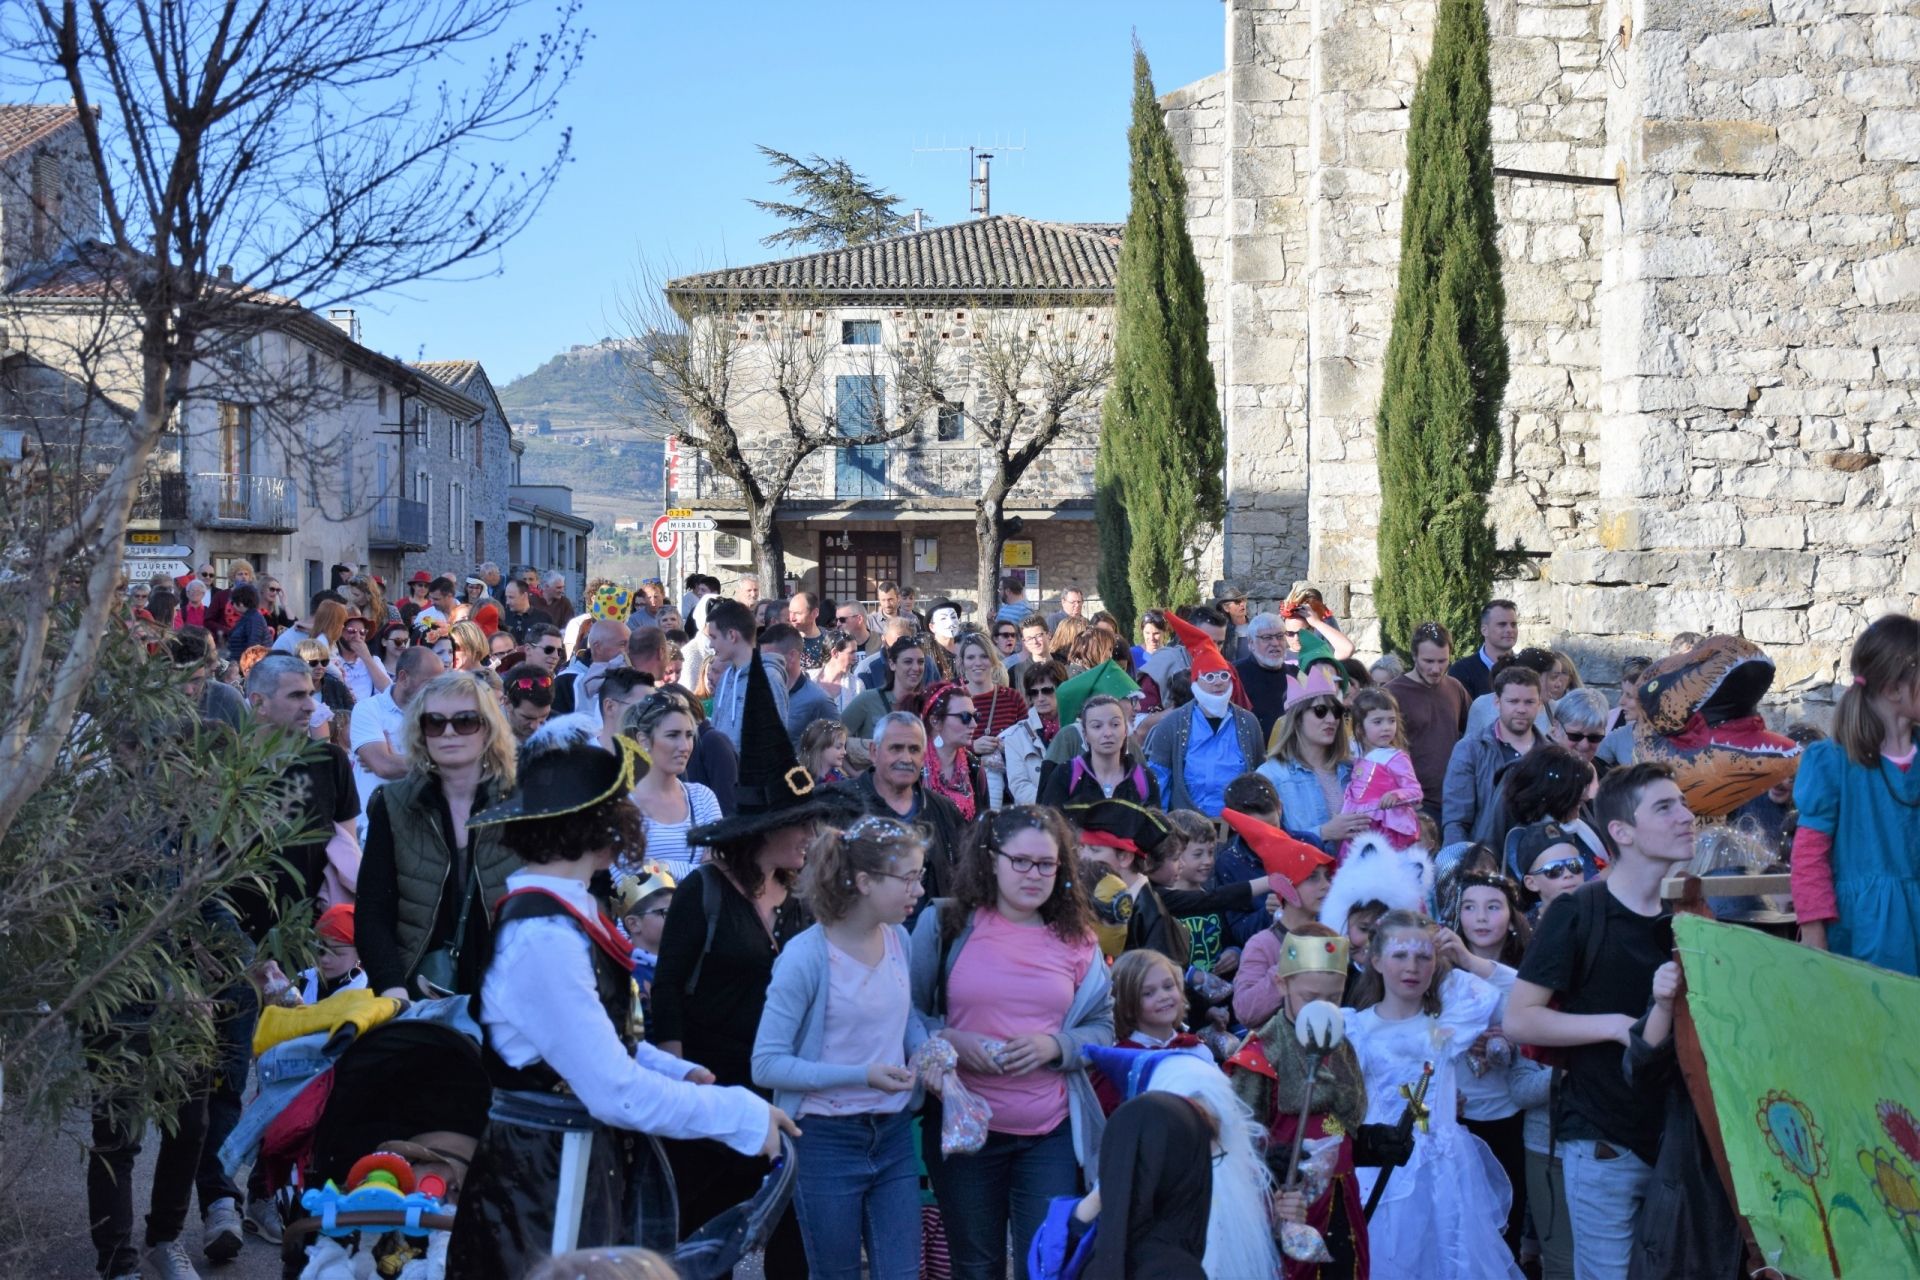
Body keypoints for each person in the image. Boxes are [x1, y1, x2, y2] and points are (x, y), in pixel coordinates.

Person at [445, 722, 792, 1280]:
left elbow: (599, 1044)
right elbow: (612, 1090)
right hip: (544, 1180)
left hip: (570, 1166)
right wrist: (738, 1115)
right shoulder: (544, 935)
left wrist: (677, 1071)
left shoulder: (563, 915)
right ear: (598, 823)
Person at [651, 651, 856, 1279]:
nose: (808, 834)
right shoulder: (703, 893)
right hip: (712, 1094)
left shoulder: (801, 898)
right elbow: (666, 998)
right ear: (760, 830)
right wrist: (684, 1089)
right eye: (797, 824)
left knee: (790, 1232)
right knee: (704, 1232)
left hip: (781, 1092)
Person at [1504, 763, 1693, 1280]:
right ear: (1621, 832)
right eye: (1665, 807)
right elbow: (1520, 1020)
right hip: (1604, 1143)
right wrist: (1614, 1025)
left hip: (1680, 1144)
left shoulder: (1694, 915)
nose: (1686, 816)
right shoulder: (1578, 912)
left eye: (1683, 803)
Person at [910, 806, 1112, 1280]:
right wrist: (948, 1038)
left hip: (1048, 1134)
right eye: (1020, 861)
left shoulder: (1077, 940)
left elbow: (1103, 1027)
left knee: (1043, 1264)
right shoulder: (944, 927)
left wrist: (1056, 1046)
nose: (1033, 874)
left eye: (1046, 864)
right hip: (965, 1134)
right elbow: (906, 1013)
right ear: (991, 859)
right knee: (975, 1267)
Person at [752, 819, 930, 1280]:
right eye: (908, 877)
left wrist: (931, 1055)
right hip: (824, 1141)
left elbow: (905, 1018)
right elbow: (766, 1065)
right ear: (866, 882)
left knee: (903, 1273)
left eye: (920, 875)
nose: (919, 888)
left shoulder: (899, 939)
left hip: (891, 1134)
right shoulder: (806, 957)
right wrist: (861, 1074)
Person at [1344, 911, 1523, 1280]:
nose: (1412, 967)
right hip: (1380, 1167)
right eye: (1400, 955)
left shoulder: (1445, 1028)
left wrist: (1466, 959)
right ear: (1375, 961)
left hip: (1444, 1172)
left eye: (1423, 957)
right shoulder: (1355, 1029)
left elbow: (1520, 996)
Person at [1227, 923, 1404, 1280]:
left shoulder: (1341, 1048)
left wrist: (1370, 1143)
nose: (1324, 1008)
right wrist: (1267, 1162)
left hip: (1340, 1201)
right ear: (1282, 985)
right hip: (1286, 1209)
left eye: (1334, 998)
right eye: (1311, 998)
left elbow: (1338, 1126)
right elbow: (1233, 1145)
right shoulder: (1259, 1055)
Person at [357, 671, 521, 999]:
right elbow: (373, 912)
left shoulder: (524, 804)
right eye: (434, 722)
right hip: (418, 994)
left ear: (488, 728)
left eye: (465, 721)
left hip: (511, 994)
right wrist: (393, 989)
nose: (448, 733)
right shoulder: (393, 804)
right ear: (421, 731)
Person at [1792, 613, 1920, 975]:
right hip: (1865, 937)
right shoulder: (1833, 764)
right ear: (1894, 689)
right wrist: (1815, 935)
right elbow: (1809, 858)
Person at [1444, 869, 1548, 1261]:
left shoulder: (1527, 971)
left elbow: (1526, 1000)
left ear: (1512, 915)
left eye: (1493, 907)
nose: (1481, 918)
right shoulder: (1441, 973)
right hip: (1457, 1114)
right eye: (1469, 908)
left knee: (1507, 1216)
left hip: (1510, 1113)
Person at [839, 711, 967, 905]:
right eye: (896, 748)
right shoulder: (839, 804)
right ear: (874, 752)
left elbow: (963, 875)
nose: (906, 758)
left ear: (923, 756)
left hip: (929, 931)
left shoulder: (944, 810)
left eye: (914, 750)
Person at [1144, 615, 1263, 815]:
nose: (1218, 682)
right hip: (1186, 833)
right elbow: (1159, 786)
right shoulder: (1172, 725)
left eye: (1223, 675)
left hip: (1237, 831)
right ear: (1196, 681)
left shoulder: (1248, 723)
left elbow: (1259, 778)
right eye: (1209, 676)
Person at [619, 692, 724, 881]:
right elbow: (630, 882)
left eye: (689, 735)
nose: (684, 746)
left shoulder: (703, 797)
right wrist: (697, 869)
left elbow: (719, 872)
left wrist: (661, 866)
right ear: (643, 740)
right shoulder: (622, 806)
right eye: (673, 735)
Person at [1088, 949, 1206, 1113]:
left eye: (1168, 986)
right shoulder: (1120, 1062)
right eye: (1148, 993)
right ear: (1127, 1006)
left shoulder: (1196, 1049)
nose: (1163, 996)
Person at [1258, 667, 1361, 853]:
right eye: (1320, 711)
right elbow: (1264, 842)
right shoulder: (1270, 775)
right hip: (1307, 877)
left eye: (1336, 711)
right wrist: (1323, 833)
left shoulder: (1354, 770)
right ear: (1297, 718)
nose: (1331, 719)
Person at [1442, 665, 1544, 848]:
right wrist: (1459, 866)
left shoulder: (1551, 754)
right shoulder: (1470, 749)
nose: (1521, 709)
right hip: (1483, 858)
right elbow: (1456, 820)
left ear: (1540, 704)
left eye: (1529, 702)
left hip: (1541, 863)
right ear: (1497, 702)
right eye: (1513, 701)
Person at [347, 645, 444, 833]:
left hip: (421, 827)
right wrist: (438, 765)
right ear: (403, 677)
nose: (436, 690)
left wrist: (396, 759)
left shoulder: (440, 715)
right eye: (430, 683)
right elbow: (384, 766)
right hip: (372, 827)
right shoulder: (368, 709)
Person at [1502, 746, 1607, 879]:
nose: (1586, 797)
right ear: (1554, 792)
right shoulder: (1522, 837)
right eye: (1577, 788)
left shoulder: (1585, 828)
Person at [1038, 692, 1158, 809]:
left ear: (1125, 730)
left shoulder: (1143, 778)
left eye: (1115, 724)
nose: (1107, 733)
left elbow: (1153, 827)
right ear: (1085, 735)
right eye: (1097, 726)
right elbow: (1050, 826)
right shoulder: (1065, 776)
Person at [1339, 688, 1422, 854]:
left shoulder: (1396, 757)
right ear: (1360, 728)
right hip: (1358, 824)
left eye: (1391, 721)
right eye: (1378, 722)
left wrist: (1396, 795)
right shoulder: (1357, 751)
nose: (1386, 728)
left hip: (1383, 826)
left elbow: (1415, 791)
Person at [705, 598, 789, 753]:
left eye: (714, 637)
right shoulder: (726, 677)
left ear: (731, 635)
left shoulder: (768, 679)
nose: (711, 644)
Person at [841, 634, 928, 755]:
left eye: (921, 662)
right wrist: (855, 771)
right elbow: (833, 741)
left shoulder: (927, 705)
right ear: (892, 664)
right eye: (908, 662)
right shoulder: (868, 700)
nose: (916, 667)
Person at [762, 622, 840, 749]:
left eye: (770, 658)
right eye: (762, 658)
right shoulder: (761, 693)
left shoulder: (819, 701)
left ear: (792, 656)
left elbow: (837, 747)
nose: (764, 663)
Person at [999, 659, 1067, 807]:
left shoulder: (1077, 729)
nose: (1040, 698)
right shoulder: (1016, 736)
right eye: (1034, 693)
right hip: (1036, 815)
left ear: (1061, 689)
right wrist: (1049, 805)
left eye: (1047, 691)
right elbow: (1019, 785)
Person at [920, 682, 990, 823]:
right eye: (965, 717)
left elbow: (983, 825)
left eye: (975, 716)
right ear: (935, 721)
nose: (974, 725)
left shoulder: (973, 766)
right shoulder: (915, 766)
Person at [616, 862, 676, 1014]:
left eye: (680, 909)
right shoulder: (622, 974)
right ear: (634, 924)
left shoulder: (689, 962)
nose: (679, 918)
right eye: (667, 913)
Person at [1465, 648, 1559, 740]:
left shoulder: (1554, 708)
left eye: (1530, 702)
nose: (1558, 684)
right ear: (1533, 676)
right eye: (1553, 677)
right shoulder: (1483, 705)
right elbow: (1468, 750)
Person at [553, 617, 630, 719]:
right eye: (622, 644)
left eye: (630, 644)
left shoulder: (631, 676)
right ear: (598, 647)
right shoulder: (567, 682)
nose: (629, 650)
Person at [1447, 599, 1519, 701]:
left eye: (1513, 624)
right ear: (1484, 630)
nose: (1510, 630)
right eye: (1502, 624)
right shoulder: (1461, 671)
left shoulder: (1528, 667)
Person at [1236, 612, 1292, 737]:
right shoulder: (1235, 675)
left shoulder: (1296, 675)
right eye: (1267, 638)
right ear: (1250, 643)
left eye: (1280, 636)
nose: (1275, 643)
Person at [1551, 688, 1612, 776]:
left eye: (1594, 737)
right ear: (1556, 727)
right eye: (1575, 736)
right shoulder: (1535, 772)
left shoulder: (1606, 778)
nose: (1584, 745)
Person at [334, 613, 391, 703]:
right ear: (340, 631)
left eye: (362, 632)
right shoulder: (331, 659)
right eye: (351, 631)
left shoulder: (373, 660)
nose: (357, 637)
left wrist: (366, 657)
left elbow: (387, 690)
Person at [500, 664, 554, 741]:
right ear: (507, 703)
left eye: (544, 716)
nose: (536, 727)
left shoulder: (561, 728)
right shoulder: (485, 737)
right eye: (528, 718)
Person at [499, 576, 553, 646]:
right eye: (506, 597)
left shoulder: (544, 618)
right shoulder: (503, 617)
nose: (507, 602)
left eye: (511, 597)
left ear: (524, 596)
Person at [223, 582, 269, 660]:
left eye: (232, 602)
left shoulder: (254, 619)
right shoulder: (249, 617)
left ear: (240, 603)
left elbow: (253, 648)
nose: (232, 605)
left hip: (245, 667)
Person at [798, 718, 849, 787]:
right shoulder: (800, 781)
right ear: (820, 747)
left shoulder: (842, 781)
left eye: (844, 747)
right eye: (838, 747)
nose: (844, 752)